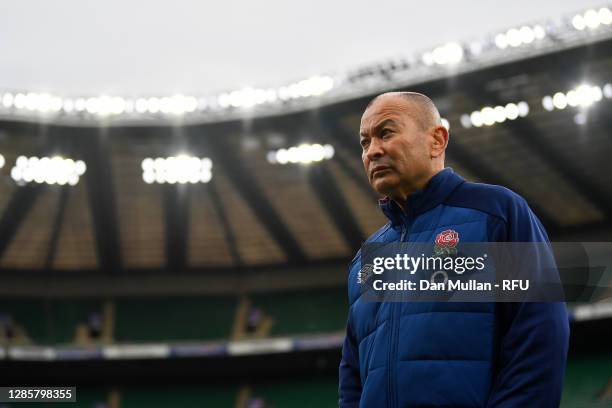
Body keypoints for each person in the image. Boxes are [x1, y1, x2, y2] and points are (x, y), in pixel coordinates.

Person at [338, 92, 570, 407]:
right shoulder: (367, 260)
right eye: (365, 143)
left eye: (386, 133)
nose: (373, 151)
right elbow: (352, 376)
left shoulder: (496, 214)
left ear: (437, 140)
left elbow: (539, 336)